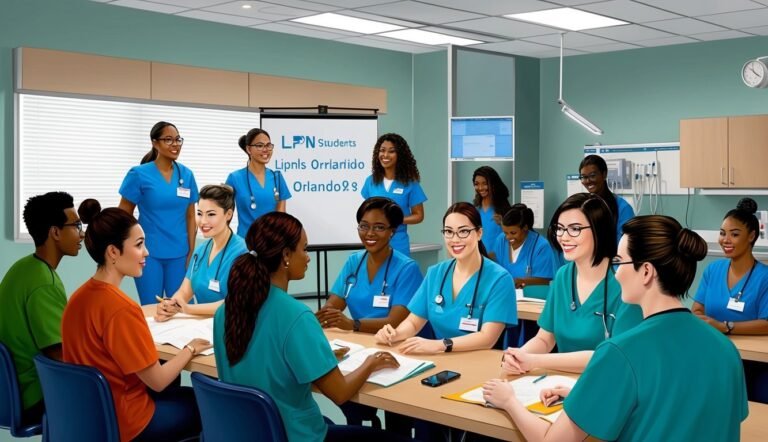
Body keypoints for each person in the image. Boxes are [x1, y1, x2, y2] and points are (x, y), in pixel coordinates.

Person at [483, 216, 748, 441]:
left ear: (646, 272)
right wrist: (584, 394)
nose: (616, 272)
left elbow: (551, 440)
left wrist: (509, 401)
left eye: (619, 262)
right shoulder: (725, 348)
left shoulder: (620, 352)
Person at [213, 212, 405, 442]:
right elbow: (340, 393)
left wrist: (317, 358)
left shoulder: (226, 311)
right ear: (286, 255)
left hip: (246, 432)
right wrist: (371, 362)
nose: (308, 257)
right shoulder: (297, 315)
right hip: (292, 434)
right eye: (304, 249)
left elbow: (264, 360)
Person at [62, 199, 211, 442]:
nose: (147, 253)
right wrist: (191, 348)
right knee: (207, 406)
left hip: (88, 418)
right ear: (113, 252)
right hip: (127, 421)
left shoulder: (79, 298)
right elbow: (159, 381)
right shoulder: (121, 309)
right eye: (139, 245)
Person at [502, 193, 643, 375]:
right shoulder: (563, 276)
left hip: (610, 384)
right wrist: (519, 356)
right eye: (560, 228)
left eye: (574, 229)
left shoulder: (624, 281)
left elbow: (614, 356)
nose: (563, 237)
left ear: (598, 230)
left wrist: (535, 360)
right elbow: (545, 339)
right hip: (560, 385)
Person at [374, 202, 517, 354]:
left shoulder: (500, 279)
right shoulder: (435, 273)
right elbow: (413, 323)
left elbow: (488, 338)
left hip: (480, 362)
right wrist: (394, 335)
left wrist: (440, 345)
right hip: (441, 360)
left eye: (463, 232)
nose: (455, 239)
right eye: (448, 232)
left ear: (479, 233)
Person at [0, 192, 84, 424]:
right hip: (33, 395)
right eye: (76, 226)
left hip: (8, 393)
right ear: (55, 232)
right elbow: (58, 355)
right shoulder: (45, 283)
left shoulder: (22, 268)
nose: (82, 234)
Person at [693, 197, 768, 402]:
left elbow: (766, 324)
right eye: (722, 233)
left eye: (734, 234)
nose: (725, 240)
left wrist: (726, 326)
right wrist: (702, 320)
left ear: (752, 236)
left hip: (751, 361)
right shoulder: (713, 270)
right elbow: (697, 310)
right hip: (715, 352)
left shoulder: (764, 277)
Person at [118, 121, 198, 305]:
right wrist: (127, 249)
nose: (175, 144)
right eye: (168, 140)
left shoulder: (187, 175)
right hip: (148, 254)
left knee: (181, 309)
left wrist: (191, 250)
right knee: (152, 309)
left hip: (180, 254)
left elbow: (191, 216)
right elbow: (123, 216)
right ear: (155, 143)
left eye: (178, 140)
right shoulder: (138, 174)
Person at [316, 197, 423, 333]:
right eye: (364, 226)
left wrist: (353, 324)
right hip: (362, 340)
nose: (370, 233)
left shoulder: (407, 269)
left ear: (392, 231)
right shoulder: (353, 262)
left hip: (398, 343)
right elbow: (333, 304)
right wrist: (325, 314)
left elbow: (395, 322)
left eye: (379, 227)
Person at [155, 184, 247, 321]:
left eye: (211, 214)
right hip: (202, 325)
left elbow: (234, 303)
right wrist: (171, 305)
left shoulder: (243, 253)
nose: (203, 221)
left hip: (233, 328)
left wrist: (187, 309)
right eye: (199, 213)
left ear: (228, 214)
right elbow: (185, 291)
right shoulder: (201, 250)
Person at [361, 133, 426, 256]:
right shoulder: (371, 181)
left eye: (391, 151)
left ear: (399, 156)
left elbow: (419, 215)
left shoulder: (410, 183)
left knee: (399, 274)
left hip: (398, 244)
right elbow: (366, 211)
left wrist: (396, 219)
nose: (385, 155)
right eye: (382, 150)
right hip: (375, 242)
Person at [225, 128, 291, 238]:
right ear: (249, 149)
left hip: (271, 243)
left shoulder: (277, 177)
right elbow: (225, 216)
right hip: (245, 244)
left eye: (268, 145)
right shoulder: (234, 178)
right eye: (260, 146)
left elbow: (281, 217)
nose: (266, 150)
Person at [491, 203, 555, 289]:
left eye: (513, 233)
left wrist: (524, 281)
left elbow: (546, 280)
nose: (508, 237)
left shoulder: (541, 247)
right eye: (505, 232)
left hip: (530, 298)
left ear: (525, 228)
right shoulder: (501, 240)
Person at [579, 154, 635, 244]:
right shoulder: (582, 206)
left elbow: (626, 244)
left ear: (604, 174)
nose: (588, 181)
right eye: (583, 177)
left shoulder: (623, 208)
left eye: (592, 175)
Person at [472, 166, 512, 256]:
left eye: (485, 183)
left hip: (499, 262)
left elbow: (514, 237)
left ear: (493, 184)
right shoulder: (475, 210)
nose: (480, 188)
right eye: (477, 184)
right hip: (480, 261)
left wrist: (503, 224)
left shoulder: (503, 210)